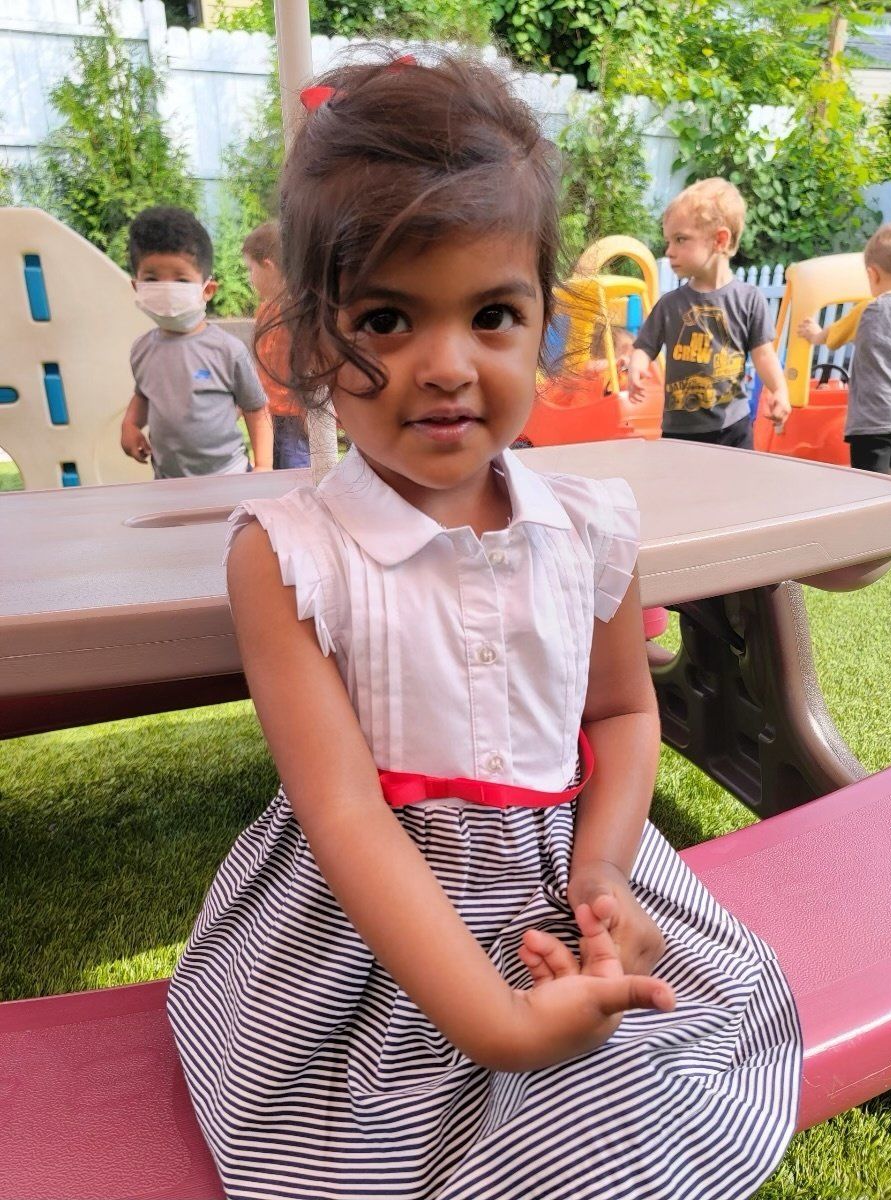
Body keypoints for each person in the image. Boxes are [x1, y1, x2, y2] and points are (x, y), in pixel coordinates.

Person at [167, 55, 801, 1200]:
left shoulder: (590, 528)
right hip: (371, 946)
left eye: (493, 313)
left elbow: (617, 707)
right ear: (310, 341)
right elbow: (347, 816)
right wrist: (496, 1026)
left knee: (635, 1106)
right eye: (389, 318)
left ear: (542, 323)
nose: (447, 364)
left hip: (562, 875)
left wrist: (605, 869)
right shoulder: (293, 559)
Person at [629, 178, 791, 447]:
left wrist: (780, 390)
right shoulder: (670, 305)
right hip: (679, 433)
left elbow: (764, 354)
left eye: (680, 239)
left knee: (735, 490)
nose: (669, 251)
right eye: (668, 241)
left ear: (719, 239)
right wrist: (637, 366)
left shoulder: (748, 300)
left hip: (733, 429)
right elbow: (644, 346)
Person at [121, 206, 272, 478]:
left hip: (229, 476)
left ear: (208, 290)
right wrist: (130, 425)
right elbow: (143, 395)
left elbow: (256, 409)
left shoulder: (228, 351)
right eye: (152, 279)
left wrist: (263, 466)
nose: (167, 288)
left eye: (180, 279)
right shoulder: (142, 349)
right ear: (137, 287)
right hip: (168, 481)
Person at [798, 220, 891, 474]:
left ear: (872, 274)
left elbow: (833, 336)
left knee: (871, 489)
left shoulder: (868, 309)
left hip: (874, 422)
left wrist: (814, 334)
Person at [242, 221, 311, 469]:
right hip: (270, 415)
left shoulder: (298, 315)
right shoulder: (265, 310)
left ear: (268, 266)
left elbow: (310, 369)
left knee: (297, 480)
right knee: (271, 477)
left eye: (251, 269)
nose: (250, 279)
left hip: (295, 419)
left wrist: (308, 415)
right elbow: (261, 365)